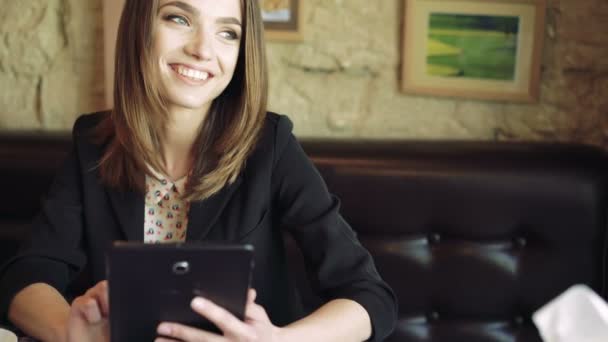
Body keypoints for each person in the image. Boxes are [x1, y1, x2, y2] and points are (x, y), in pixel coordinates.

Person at [0, 0, 398, 341]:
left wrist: (278, 339)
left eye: (228, 33)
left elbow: (369, 296)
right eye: (179, 18)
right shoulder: (92, 140)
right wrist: (72, 332)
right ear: (141, 25)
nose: (202, 49)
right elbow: (27, 274)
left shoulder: (271, 145)